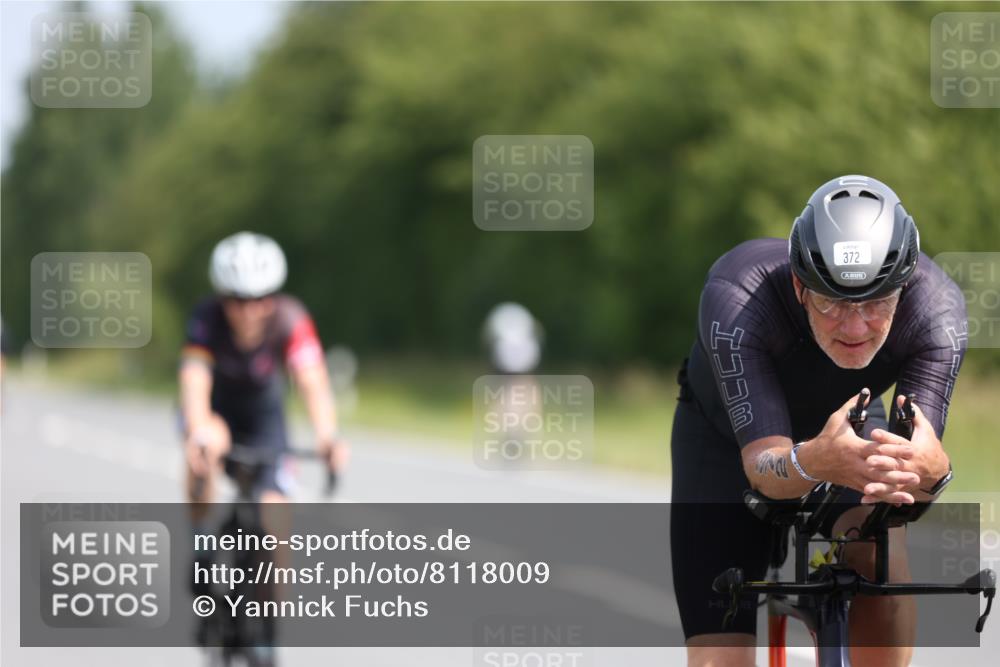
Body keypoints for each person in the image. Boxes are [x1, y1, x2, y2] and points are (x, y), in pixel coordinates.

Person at [671, 175, 966, 667]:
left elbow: (916, 477)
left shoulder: (936, 312)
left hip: (850, 422)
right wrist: (813, 462)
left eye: (877, 303)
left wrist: (929, 474)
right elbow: (763, 468)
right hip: (723, 438)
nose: (854, 328)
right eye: (832, 302)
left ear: (906, 286)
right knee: (719, 655)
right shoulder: (737, 295)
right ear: (798, 285)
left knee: (879, 550)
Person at [179, 231, 347, 516]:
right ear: (223, 297)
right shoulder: (206, 319)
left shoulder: (290, 318)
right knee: (208, 448)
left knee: (276, 515)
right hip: (216, 407)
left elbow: (312, 380)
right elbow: (195, 378)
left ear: (274, 296)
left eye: (261, 299)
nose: (250, 312)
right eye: (239, 300)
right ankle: (201, 544)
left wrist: (327, 435)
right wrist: (198, 431)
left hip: (264, 414)